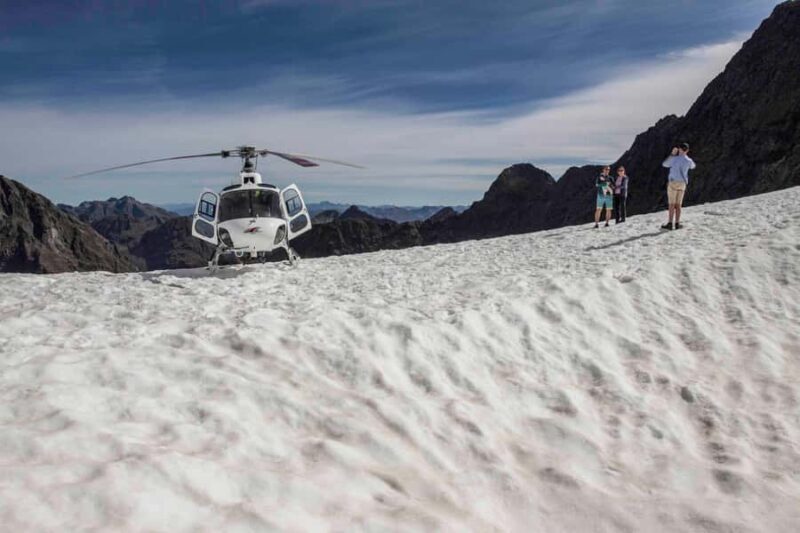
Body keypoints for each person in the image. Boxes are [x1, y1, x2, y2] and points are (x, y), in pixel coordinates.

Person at [661, 142, 696, 230]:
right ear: (687, 150)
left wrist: (672, 154)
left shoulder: (674, 159)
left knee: (671, 204)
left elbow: (664, 164)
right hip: (682, 183)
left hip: (673, 182)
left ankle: (670, 223)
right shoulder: (689, 160)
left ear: (679, 149)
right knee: (678, 205)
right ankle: (677, 223)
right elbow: (693, 166)